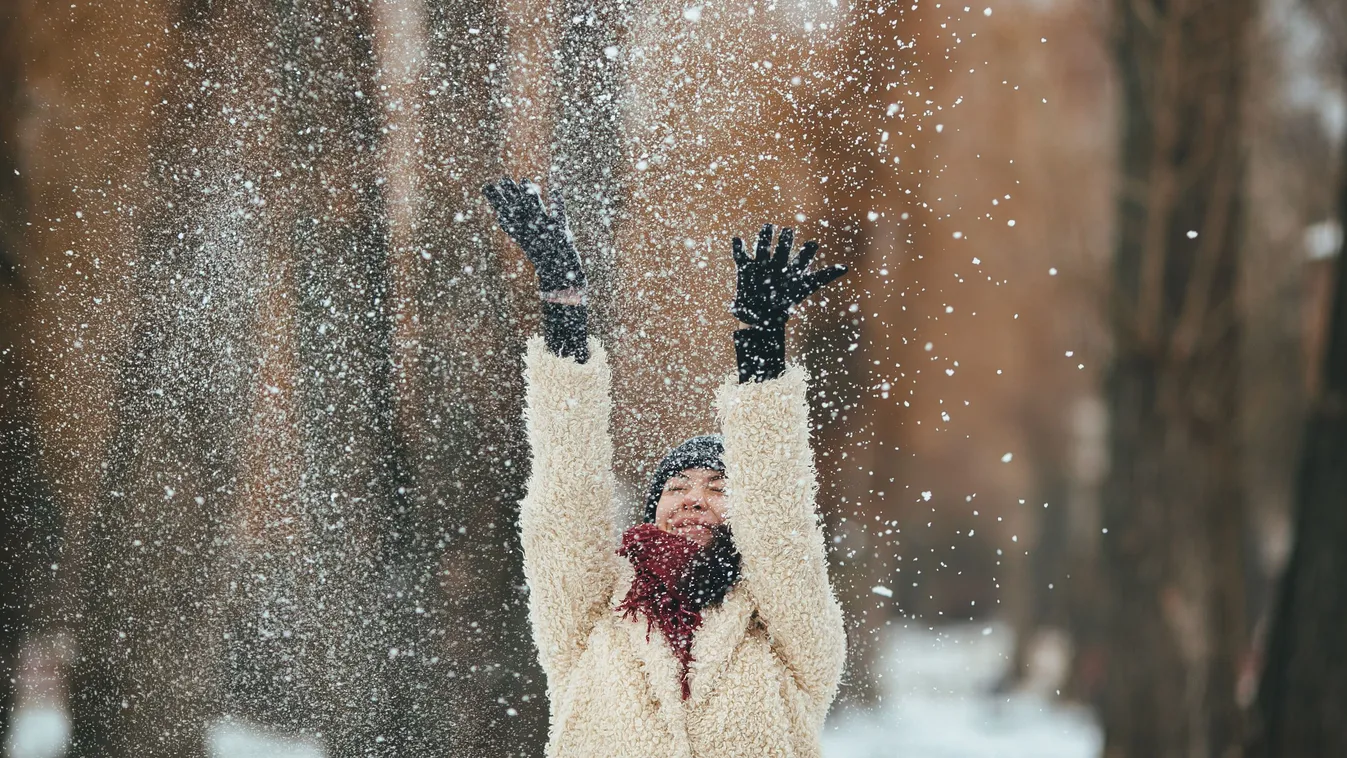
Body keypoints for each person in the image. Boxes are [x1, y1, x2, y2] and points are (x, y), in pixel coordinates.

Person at [483, 177, 848, 758]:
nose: (693, 497)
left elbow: (781, 520)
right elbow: (566, 496)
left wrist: (762, 353)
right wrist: (564, 307)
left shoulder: (785, 631)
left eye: (718, 486)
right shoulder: (592, 616)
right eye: (675, 486)